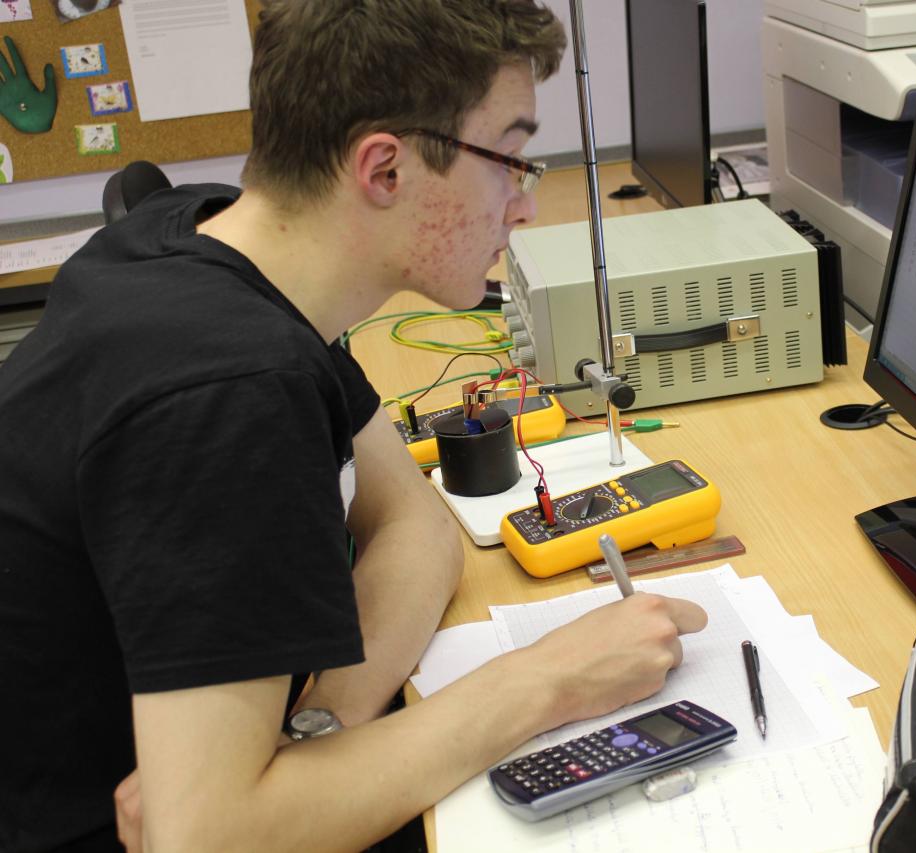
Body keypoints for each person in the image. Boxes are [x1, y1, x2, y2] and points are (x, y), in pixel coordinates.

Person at [0, 2, 707, 850]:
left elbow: (415, 524)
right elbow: (205, 838)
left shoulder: (215, 242)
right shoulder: (227, 386)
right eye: (511, 161)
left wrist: (317, 729)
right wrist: (550, 678)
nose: (523, 206)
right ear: (384, 169)